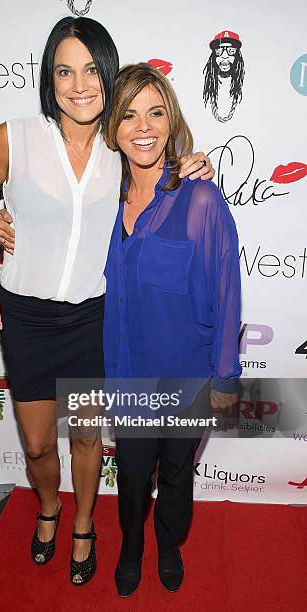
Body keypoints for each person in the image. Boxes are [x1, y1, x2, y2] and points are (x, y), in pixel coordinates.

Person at [0, 16, 214, 586]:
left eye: (92, 71)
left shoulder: (120, 148)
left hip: (94, 319)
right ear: (49, 79)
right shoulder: (15, 137)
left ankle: (81, 522)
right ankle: (48, 508)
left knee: (85, 436)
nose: (79, 85)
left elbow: (166, 177)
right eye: (64, 71)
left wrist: (199, 165)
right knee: (34, 442)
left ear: (108, 73)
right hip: (26, 316)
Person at [102, 62, 241, 596]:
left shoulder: (200, 199)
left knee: (178, 476)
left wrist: (225, 380)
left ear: (171, 121)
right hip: (127, 378)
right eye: (130, 114)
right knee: (134, 477)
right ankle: (131, 544)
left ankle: (168, 544)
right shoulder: (99, 206)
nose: (143, 126)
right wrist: (7, 223)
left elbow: (228, 290)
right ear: (113, 127)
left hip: (186, 378)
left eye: (156, 112)